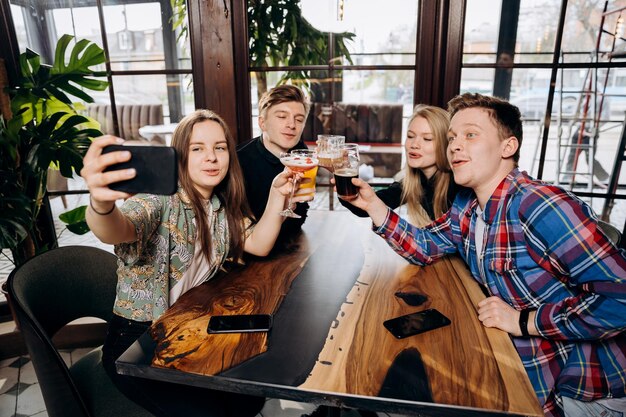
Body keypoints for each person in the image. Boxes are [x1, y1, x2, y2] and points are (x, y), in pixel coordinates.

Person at [347, 93, 626, 417]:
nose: (454, 145)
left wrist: (525, 321)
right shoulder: (468, 206)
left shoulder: (539, 205)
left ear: (507, 147)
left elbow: (621, 300)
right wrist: (373, 206)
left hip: (583, 390)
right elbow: (424, 246)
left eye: (470, 135)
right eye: (452, 137)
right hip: (518, 363)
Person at [81, 109, 311, 417]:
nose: (212, 158)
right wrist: (101, 203)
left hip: (186, 329)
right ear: (180, 156)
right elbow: (116, 229)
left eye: (220, 147)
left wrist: (275, 195)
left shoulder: (219, 207)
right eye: (197, 148)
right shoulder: (158, 201)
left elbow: (258, 243)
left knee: (248, 398)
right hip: (136, 343)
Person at [340, 104, 462, 226]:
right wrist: (342, 170)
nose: (414, 144)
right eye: (410, 136)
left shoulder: (458, 185)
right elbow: (365, 207)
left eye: (427, 139)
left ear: (446, 144)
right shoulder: (416, 182)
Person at [237, 84, 312, 239]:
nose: (292, 125)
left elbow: (300, 215)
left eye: (299, 119)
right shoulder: (238, 162)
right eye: (282, 117)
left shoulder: (300, 151)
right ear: (262, 123)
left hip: (293, 244)